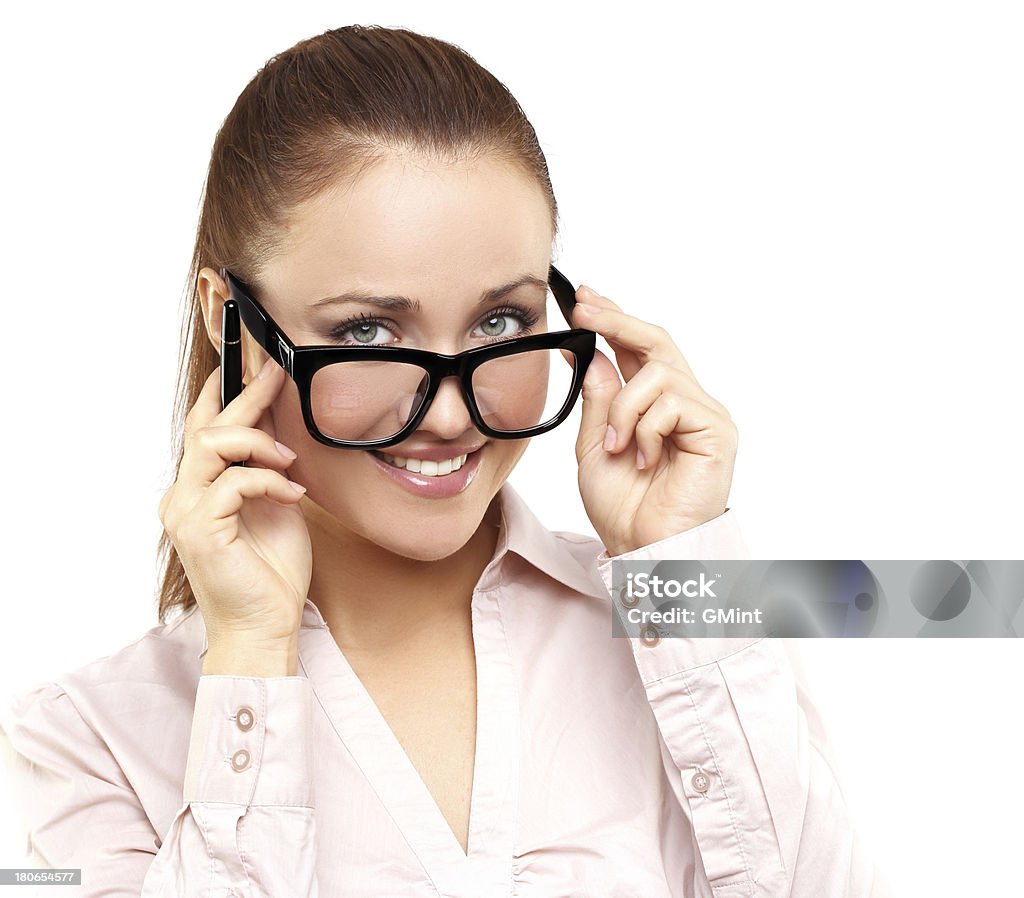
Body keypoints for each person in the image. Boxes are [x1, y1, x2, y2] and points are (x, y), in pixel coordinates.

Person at [0, 24, 890, 897]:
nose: (455, 411)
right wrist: (252, 654)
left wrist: (676, 571)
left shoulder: (682, 621)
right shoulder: (88, 739)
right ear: (228, 319)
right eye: (367, 331)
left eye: (501, 321)